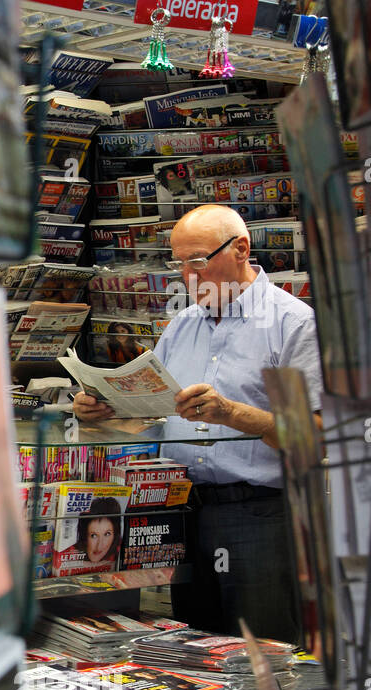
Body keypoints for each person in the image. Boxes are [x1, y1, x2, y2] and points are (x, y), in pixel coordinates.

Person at [72, 205, 324, 644]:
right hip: (185, 510)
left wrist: (231, 413)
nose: (188, 276)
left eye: (198, 261)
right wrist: (104, 410)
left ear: (241, 249)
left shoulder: (292, 324)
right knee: (196, 651)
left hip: (261, 515)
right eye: (178, 263)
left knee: (263, 655)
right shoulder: (182, 326)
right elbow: (153, 420)